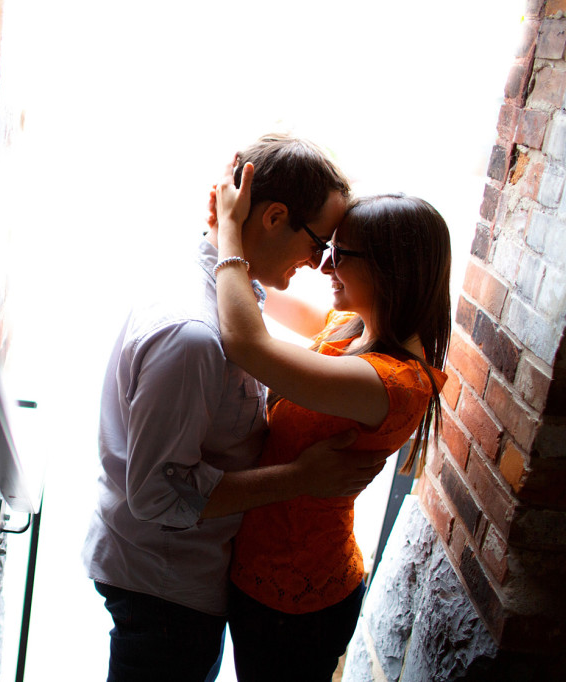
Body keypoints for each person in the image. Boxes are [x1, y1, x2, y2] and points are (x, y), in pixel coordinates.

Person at [82, 135, 391, 682]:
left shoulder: (232, 287)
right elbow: (157, 493)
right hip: (164, 587)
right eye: (321, 244)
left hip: (178, 580)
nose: (321, 266)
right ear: (275, 217)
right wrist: (301, 477)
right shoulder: (195, 335)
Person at [211, 162, 451, 681]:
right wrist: (246, 240)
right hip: (260, 579)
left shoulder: (390, 383)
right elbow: (261, 298)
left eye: (339, 255)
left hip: (297, 601)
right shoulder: (352, 327)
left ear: (391, 270)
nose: (323, 267)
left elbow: (248, 343)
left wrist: (228, 236)